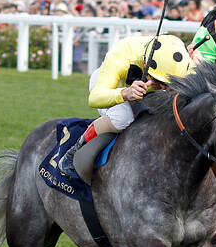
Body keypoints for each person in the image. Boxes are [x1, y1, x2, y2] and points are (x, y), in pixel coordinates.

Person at [58, 34, 193, 176]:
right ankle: (74, 151)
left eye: (166, 83)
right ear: (145, 64)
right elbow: (94, 98)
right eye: (156, 80)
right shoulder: (121, 54)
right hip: (112, 85)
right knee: (122, 117)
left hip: (144, 92)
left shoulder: (184, 66)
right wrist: (125, 93)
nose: (161, 86)